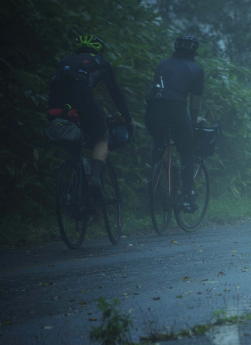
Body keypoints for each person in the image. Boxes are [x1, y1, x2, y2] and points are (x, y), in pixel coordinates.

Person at [48, 35, 136, 190]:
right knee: (102, 136)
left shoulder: (65, 60)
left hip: (55, 99)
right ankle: (93, 178)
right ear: (99, 51)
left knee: (69, 135)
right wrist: (128, 119)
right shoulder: (101, 62)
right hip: (82, 94)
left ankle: (73, 180)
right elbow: (115, 93)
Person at [145, 35, 205, 212]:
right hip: (176, 110)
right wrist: (193, 123)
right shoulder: (196, 69)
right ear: (195, 52)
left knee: (160, 142)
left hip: (152, 110)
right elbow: (194, 106)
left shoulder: (162, 64)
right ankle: (188, 198)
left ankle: (154, 177)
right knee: (187, 152)